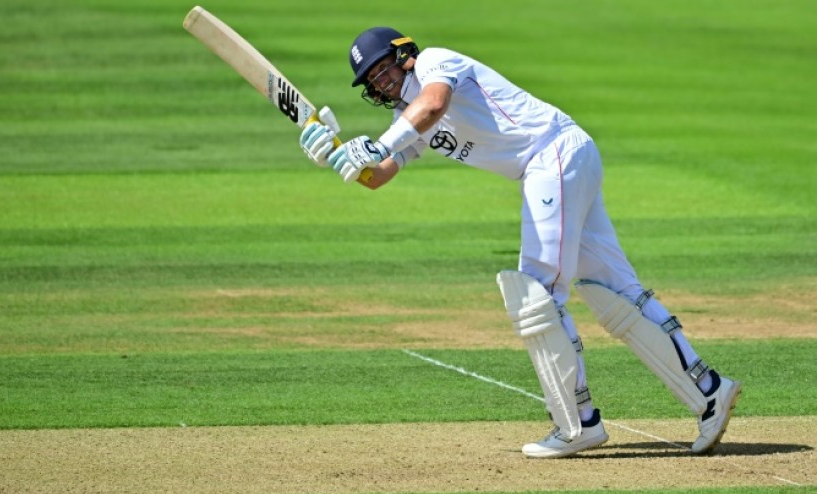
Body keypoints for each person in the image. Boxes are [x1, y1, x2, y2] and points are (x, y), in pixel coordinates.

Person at [297, 27, 741, 458]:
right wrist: (338, 156)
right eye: (372, 81)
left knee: (538, 294)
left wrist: (375, 145)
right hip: (564, 158)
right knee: (613, 289)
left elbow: (433, 104)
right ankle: (709, 391)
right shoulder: (403, 120)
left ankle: (578, 423)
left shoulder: (435, 62)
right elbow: (380, 175)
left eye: (382, 70)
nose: (381, 83)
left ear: (403, 54)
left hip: (552, 156)